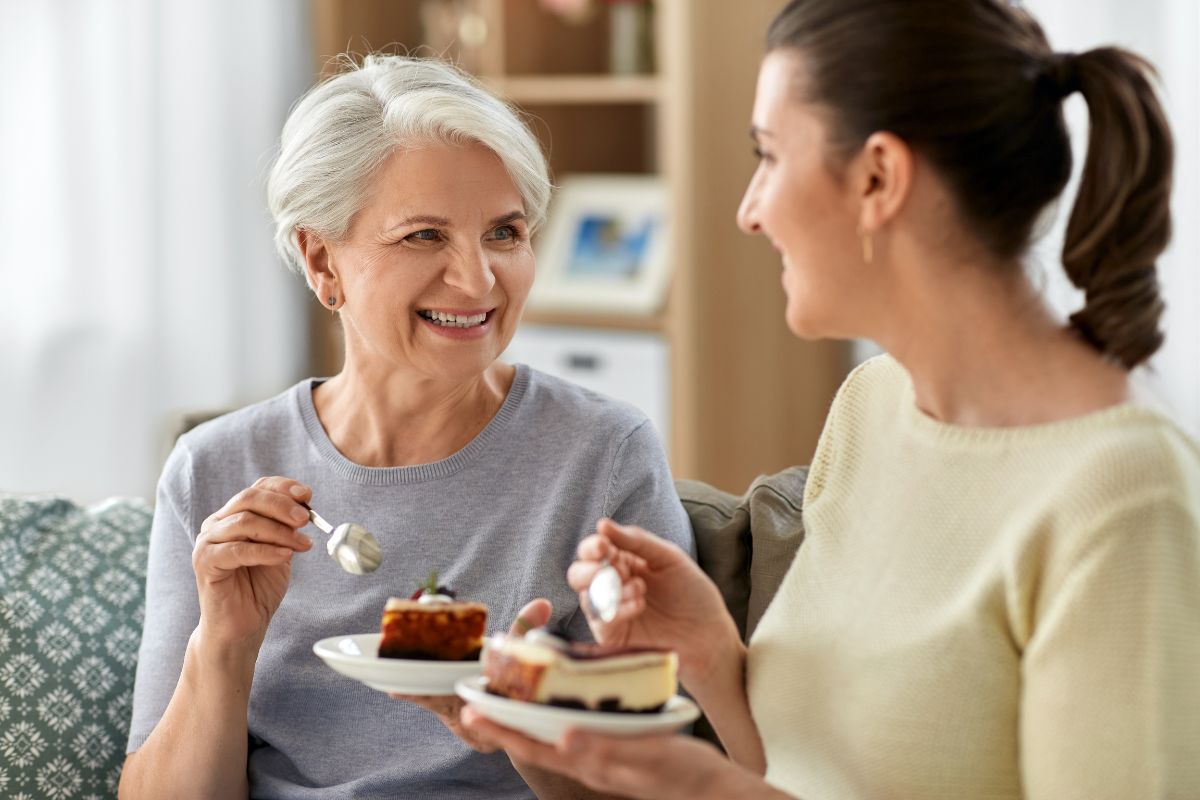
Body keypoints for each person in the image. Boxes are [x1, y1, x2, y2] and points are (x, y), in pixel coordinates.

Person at [460, 1, 1200, 798]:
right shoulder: (872, 408)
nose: (749, 210)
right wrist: (714, 661)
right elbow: (797, 777)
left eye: (769, 156)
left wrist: (698, 789)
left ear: (879, 177)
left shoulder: (1122, 497)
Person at [118, 54, 692, 800]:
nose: (479, 280)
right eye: (424, 236)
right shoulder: (215, 469)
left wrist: (522, 728)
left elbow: (671, 780)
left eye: (505, 232)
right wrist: (223, 646)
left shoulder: (602, 456)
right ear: (322, 261)